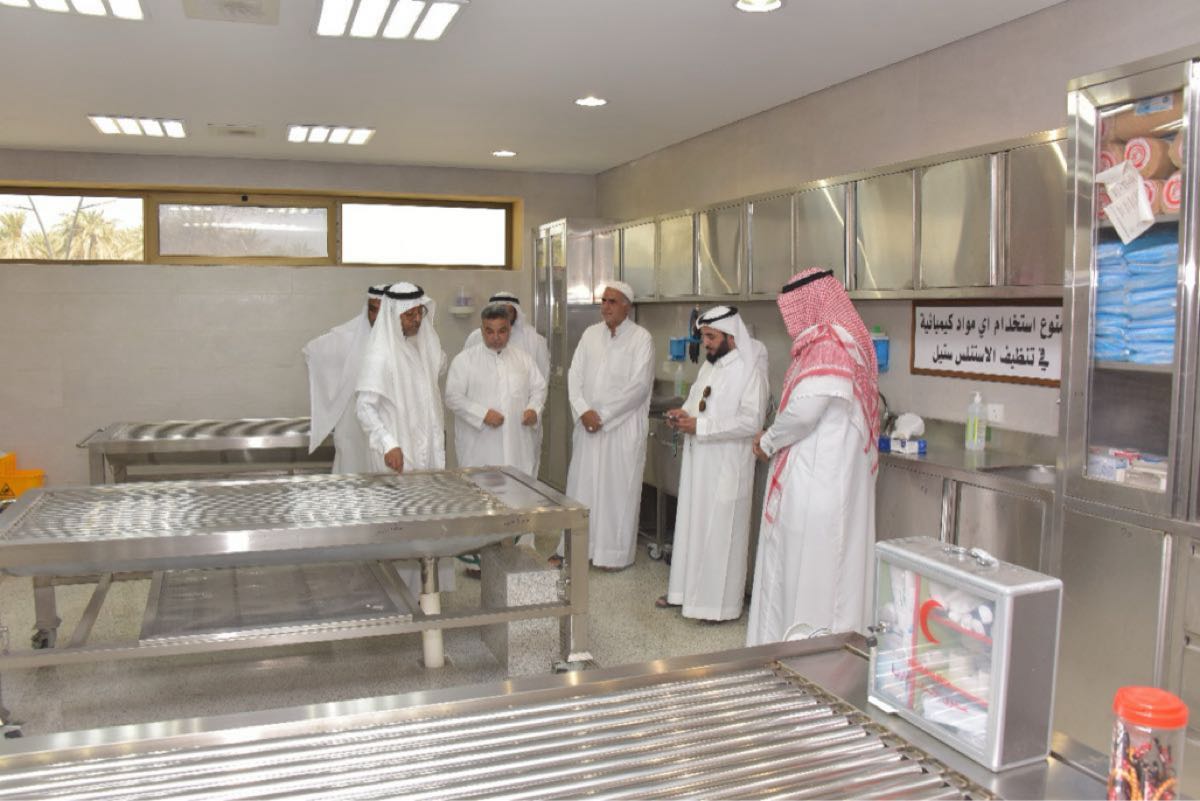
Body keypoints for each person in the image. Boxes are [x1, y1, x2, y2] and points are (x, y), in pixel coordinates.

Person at [745, 268, 879, 646]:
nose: (791, 320)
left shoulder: (828, 345)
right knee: (820, 569)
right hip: (828, 481)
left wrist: (769, 440)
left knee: (813, 573)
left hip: (819, 484)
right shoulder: (843, 345)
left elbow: (804, 413)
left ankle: (809, 656)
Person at [659, 306, 768, 621]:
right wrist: (683, 414)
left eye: (711, 337)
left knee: (720, 535)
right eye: (704, 336)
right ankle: (685, 595)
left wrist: (701, 426)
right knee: (692, 528)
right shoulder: (710, 366)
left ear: (731, 337)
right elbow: (696, 403)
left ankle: (716, 607)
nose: (705, 343)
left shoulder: (750, 369)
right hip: (699, 464)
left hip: (726, 466)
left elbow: (751, 421)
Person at [555, 281, 654, 569]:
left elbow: (638, 387)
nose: (606, 307)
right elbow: (574, 375)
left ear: (627, 306)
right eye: (604, 301)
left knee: (616, 494)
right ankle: (577, 550)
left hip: (620, 430)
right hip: (588, 428)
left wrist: (603, 416)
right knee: (582, 489)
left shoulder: (641, 339)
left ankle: (613, 555)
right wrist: (584, 411)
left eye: (612, 301)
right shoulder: (590, 334)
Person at [445, 303, 547, 551]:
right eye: (489, 331)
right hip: (481, 448)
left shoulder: (523, 359)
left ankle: (521, 551)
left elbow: (539, 388)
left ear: (509, 329)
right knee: (481, 500)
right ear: (482, 330)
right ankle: (478, 559)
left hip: (516, 446)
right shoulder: (465, 361)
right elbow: (452, 397)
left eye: (502, 331)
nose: (496, 337)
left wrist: (533, 409)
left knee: (519, 499)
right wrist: (482, 414)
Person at [356, 282, 447, 474]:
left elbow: (439, 366)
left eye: (419, 312)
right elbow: (364, 407)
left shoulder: (419, 348)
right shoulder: (380, 355)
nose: (417, 320)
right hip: (396, 455)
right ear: (393, 315)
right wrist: (387, 443)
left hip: (425, 451)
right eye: (409, 314)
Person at [302, 283, 388, 474]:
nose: (375, 316)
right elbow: (314, 350)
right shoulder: (350, 336)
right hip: (353, 421)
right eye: (372, 310)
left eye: (381, 311)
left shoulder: (404, 339)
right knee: (352, 465)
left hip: (387, 421)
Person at [463, 291, 550, 382]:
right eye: (499, 312)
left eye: (508, 312)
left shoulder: (534, 340)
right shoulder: (475, 337)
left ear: (516, 313)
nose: (504, 316)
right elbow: (465, 371)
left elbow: (542, 376)